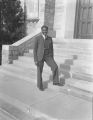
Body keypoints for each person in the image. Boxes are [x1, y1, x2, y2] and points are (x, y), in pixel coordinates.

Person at [33, 25, 60, 91]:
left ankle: (56, 81)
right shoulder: (37, 38)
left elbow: (51, 49)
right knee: (39, 71)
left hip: (48, 56)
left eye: (46, 30)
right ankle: (40, 86)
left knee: (55, 66)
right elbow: (34, 50)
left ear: (47, 31)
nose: (44, 31)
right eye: (43, 30)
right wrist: (35, 60)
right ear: (41, 30)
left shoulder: (50, 38)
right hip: (40, 57)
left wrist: (52, 58)